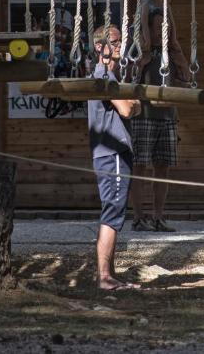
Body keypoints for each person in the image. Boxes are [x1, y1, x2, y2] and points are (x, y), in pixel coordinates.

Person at [87, 24, 142, 290]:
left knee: (114, 212)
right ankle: (104, 277)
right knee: (112, 213)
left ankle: (108, 273)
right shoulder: (104, 76)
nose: (120, 45)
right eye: (115, 41)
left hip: (111, 153)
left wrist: (132, 103)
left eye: (121, 41)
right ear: (100, 47)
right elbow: (128, 110)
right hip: (113, 154)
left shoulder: (109, 76)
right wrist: (135, 104)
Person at [129, 10, 179, 232]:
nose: (162, 31)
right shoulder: (138, 50)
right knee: (139, 167)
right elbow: (127, 79)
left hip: (168, 116)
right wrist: (141, 63)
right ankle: (138, 217)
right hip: (144, 116)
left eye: (165, 27)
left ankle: (159, 216)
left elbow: (185, 78)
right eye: (158, 27)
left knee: (163, 168)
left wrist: (180, 59)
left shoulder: (172, 51)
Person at [137, 0, 191, 84]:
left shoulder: (166, 5)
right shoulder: (146, 4)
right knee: (143, 58)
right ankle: (139, 72)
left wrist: (173, 39)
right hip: (147, 37)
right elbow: (144, 24)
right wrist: (147, 41)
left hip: (163, 39)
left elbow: (172, 24)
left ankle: (182, 74)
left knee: (178, 56)